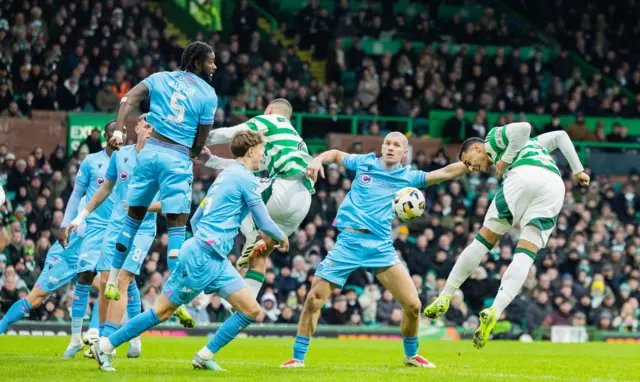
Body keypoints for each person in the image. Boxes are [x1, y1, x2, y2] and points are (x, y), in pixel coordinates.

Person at [91, 131, 289, 372]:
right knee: (161, 312)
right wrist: (283, 236)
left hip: (213, 256)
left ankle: (204, 355)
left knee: (251, 310)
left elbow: (197, 218)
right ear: (250, 151)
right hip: (202, 256)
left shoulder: (226, 175)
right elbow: (265, 223)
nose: (263, 154)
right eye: (261, 150)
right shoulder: (247, 179)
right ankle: (105, 346)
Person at [281, 132, 469, 369]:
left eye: (396, 145)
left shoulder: (407, 176)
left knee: (413, 306)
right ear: (382, 147)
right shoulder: (364, 162)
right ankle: (298, 357)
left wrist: (469, 164)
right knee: (313, 299)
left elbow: (443, 174)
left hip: (380, 246)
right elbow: (336, 154)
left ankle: (411, 355)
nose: (391, 148)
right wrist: (318, 160)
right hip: (349, 242)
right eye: (388, 143)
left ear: (404, 152)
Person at [424, 123, 590, 349]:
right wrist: (578, 170)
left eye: (467, 162)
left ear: (476, 149)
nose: (471, 168)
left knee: (483, 242)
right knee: (525, 254)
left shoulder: (492, 138)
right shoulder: (535, 145)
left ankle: (445, 295)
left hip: (523, 175)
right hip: (553, 185)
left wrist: (506, 158)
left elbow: (523, 127)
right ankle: (495, 310)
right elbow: (561, 135)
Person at [106, 42, 218, 327]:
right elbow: (201, 136)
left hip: (150, 154)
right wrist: (194, 152)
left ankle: (111, 277)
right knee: (177, 227)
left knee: (132, 217)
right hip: (176, 158)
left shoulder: (159, 78)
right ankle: (176, 297)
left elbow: (127, 100)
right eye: (210, 62)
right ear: (196, 62)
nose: (214, 67)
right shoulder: (207, 94)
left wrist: (119, 130)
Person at [201, 98, 314, 304]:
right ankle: (247, 304)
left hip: (284, 188)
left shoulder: (271, 121)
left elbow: (233, 134)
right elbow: (247, 165)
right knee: (259, 256)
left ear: (269, 110)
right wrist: (212, 161)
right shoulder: (290, 139)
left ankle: (250, 235)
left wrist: (196, 139)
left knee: (238, 192)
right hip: (302, 203)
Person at [66, 114, 157, 358]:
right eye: (146, 126)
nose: (149, 131)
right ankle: (129, 337)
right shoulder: (120, 156)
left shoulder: (161, 159)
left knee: (122, 280)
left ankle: (107, 343)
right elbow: (105, 189)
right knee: (107, 283)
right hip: (116, 226)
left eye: (154, 128)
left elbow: (170, 200)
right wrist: (80, 217)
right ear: (136, 127)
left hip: (142, 228)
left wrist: (143, 207)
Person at [57, 121, 119, 358]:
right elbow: (76, 194)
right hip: (93, 228)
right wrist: (65, 224)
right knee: (83, 278)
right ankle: (74, 339)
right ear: (105, 136)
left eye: (120, 132)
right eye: (113, 133)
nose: (117, 136)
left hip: (117, 229)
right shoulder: (92, 161)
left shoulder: (129, 160)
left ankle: (104, 342)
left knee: (109, 284)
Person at [0, 199, 92, 338]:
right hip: (64, 257)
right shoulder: (88, 200)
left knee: (101, 286)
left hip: (80, 256)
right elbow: (82, 229)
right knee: (34, 300)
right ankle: (2, 325)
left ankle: (91, 337)